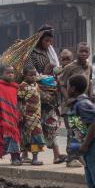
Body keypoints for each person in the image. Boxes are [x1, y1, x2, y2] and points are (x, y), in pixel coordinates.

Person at [25, 27, 67, 164]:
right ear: (39, 40)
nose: (49, 44)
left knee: (51, 123)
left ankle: (57, 154)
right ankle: (26, 154)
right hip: (36, 92)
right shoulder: (31, 54)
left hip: (51, 93)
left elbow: (55, 70)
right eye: (46, 41)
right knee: (31, 126)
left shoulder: (50, 52)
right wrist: (42, 87)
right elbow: (30, 74)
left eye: (50, 41)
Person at [59, 43, 94, 167]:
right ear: (76, 52)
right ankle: (71, 157)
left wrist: (91, 95)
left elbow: (89, 81)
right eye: (81, 51)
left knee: (82, 131)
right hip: (70, 106)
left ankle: (79, 155)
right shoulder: (70, 67)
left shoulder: (89, 66)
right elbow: (62, 83)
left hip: (83, 103)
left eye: (86, 51)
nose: (83, 54)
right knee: (73, 131)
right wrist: (68, 98)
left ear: (89, 53)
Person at [0, 66, 22, 165]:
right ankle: (15, 157)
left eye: (12, 72)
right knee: (11, 136)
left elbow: (17, 102)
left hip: (14, 116)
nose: (11, 74)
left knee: (6, 139)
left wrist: (19, 113)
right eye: (8, 72)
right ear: (2, 74)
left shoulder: (15, 87)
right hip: (3, 117)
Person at [17, 66, 46, 166]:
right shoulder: (23, 86)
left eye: (35, 75)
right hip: (28, 115)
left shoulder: (36, 84)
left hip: (36, 115)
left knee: (28, 136)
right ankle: (34, 159)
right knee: (35, 135)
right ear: (24, 76)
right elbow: (19, 100)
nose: (33, 77)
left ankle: (24, 156)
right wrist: (20, 114)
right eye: (31, 75)